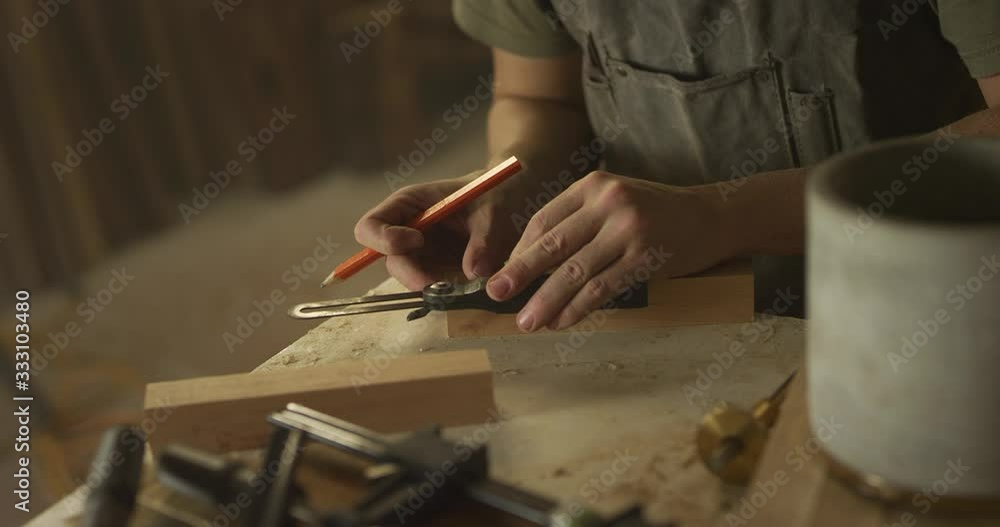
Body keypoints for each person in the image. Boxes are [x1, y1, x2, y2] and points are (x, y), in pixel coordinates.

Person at [353, 0, 1000, 331]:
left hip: (928, 308)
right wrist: (507, 180)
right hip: (657, 316)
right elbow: (538, 98)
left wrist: (722, 216)